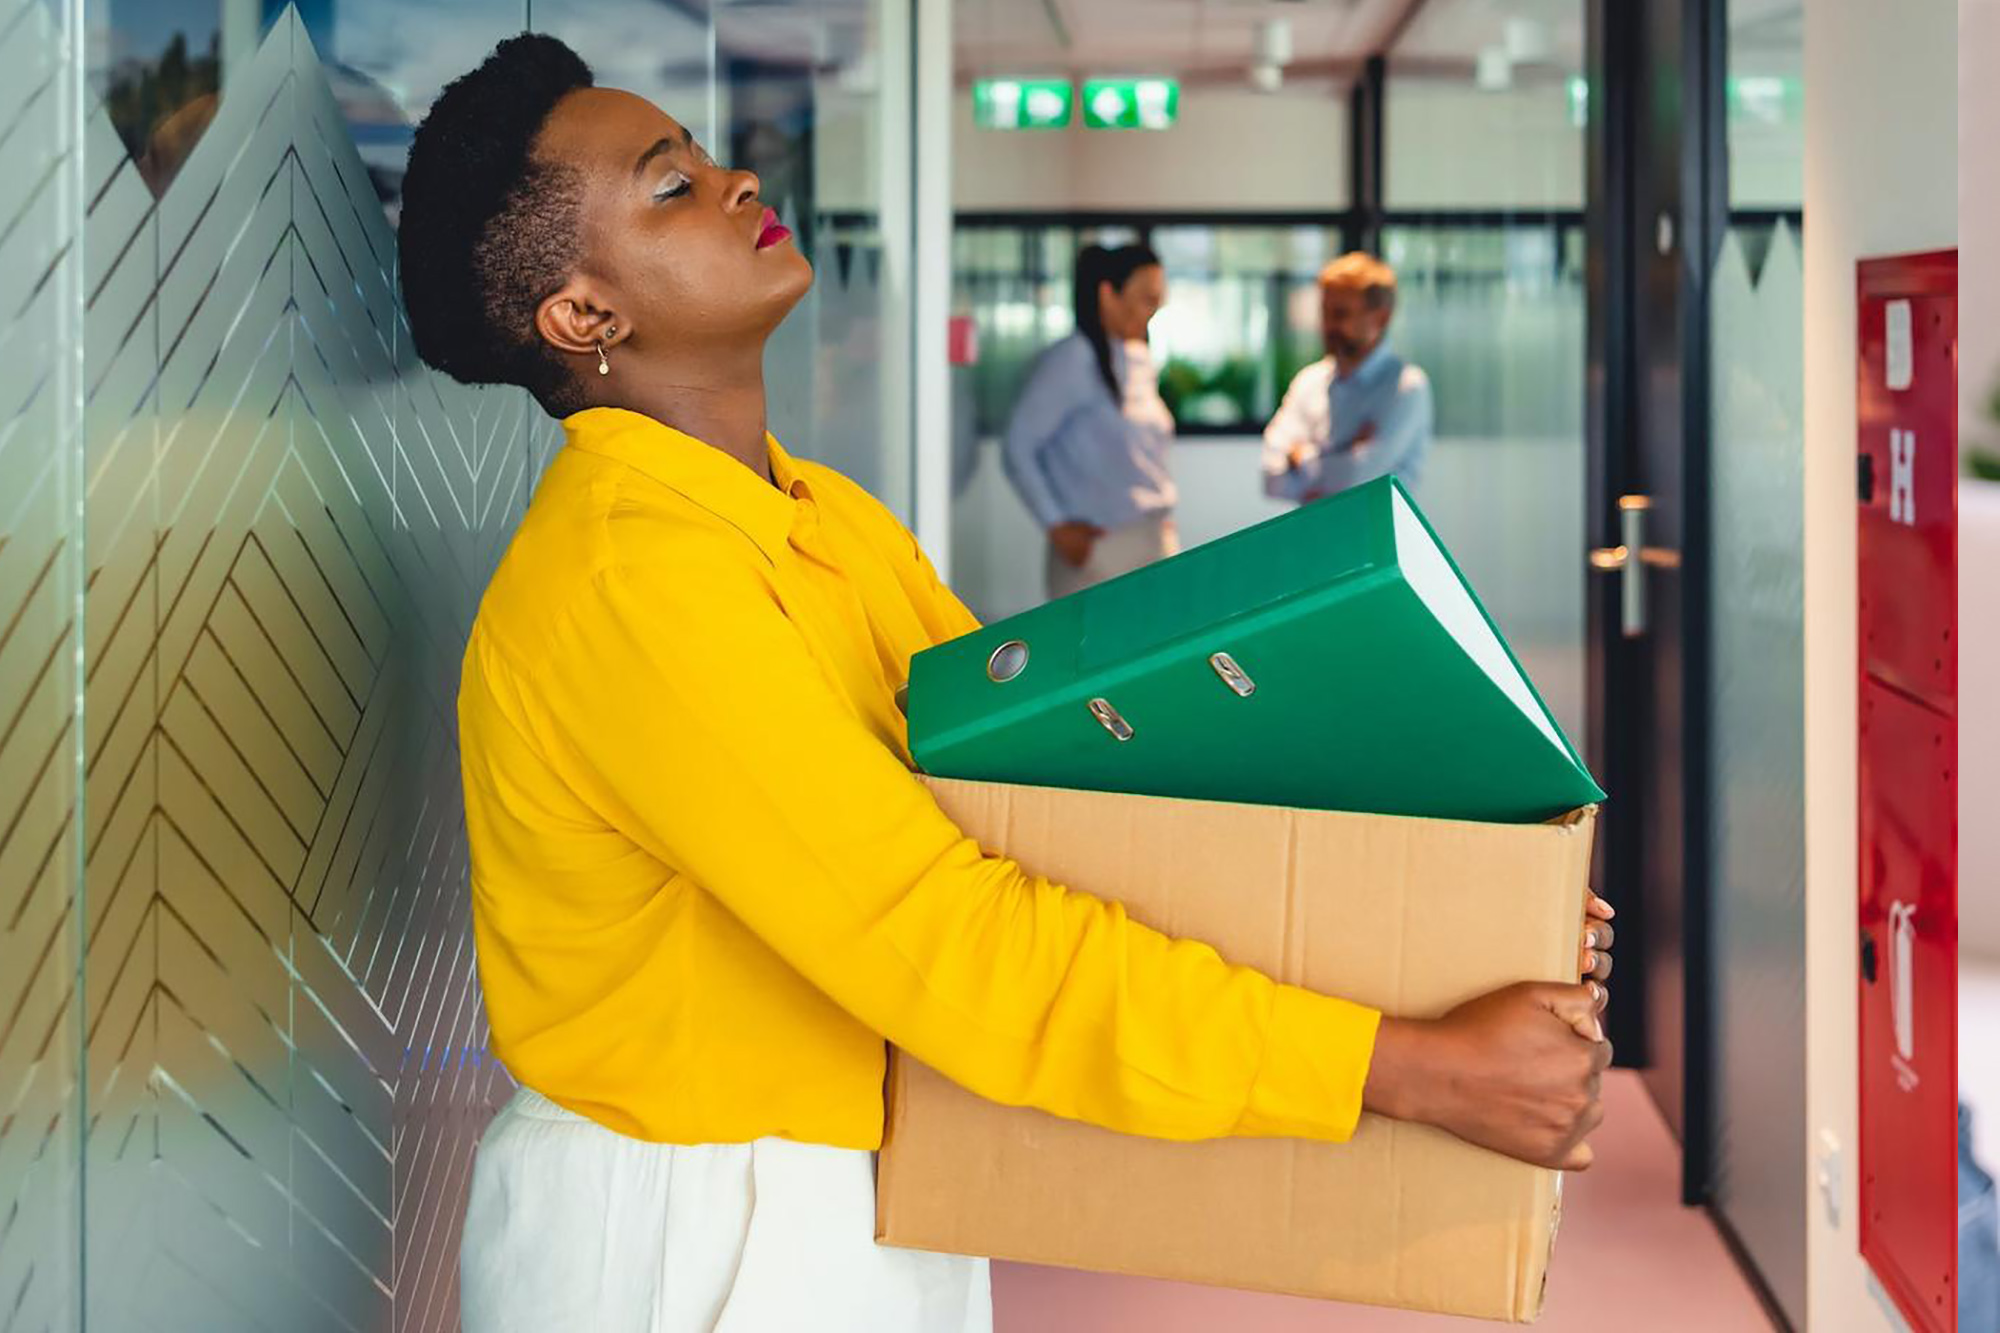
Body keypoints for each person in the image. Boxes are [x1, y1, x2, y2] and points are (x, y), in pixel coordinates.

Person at [398, 35, 1615, 1333]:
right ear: (584, 316)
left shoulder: (823, 518)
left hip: (858, 1183)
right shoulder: (629, 586)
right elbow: (950, 937)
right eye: (669, 186)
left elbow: (1052, 799)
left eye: (698, 155)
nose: (736, 180)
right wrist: (1410, 1067)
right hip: (696, 1236)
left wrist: (1452, 922)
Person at [1002, 244, 1177, 599]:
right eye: (1146, 299)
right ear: (1108, 295)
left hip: (1151, 542)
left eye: (1158, 301)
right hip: (1098, 554)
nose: (1153, 311)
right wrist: (1057, 526)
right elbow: (1018, 446)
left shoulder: (1136, 357)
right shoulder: (1073, 360)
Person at [1263, 252, 1434, 504]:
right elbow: (1270, 477)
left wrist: (1301, 456)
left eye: (1341, 314)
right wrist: (1347, 454)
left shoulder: (1407, 387)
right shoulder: (1308, 381)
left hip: (1376, 540)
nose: (1328, 325)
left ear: (1381, 318)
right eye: (1325, 312)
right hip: (1313, 538)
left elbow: (1357, 479)